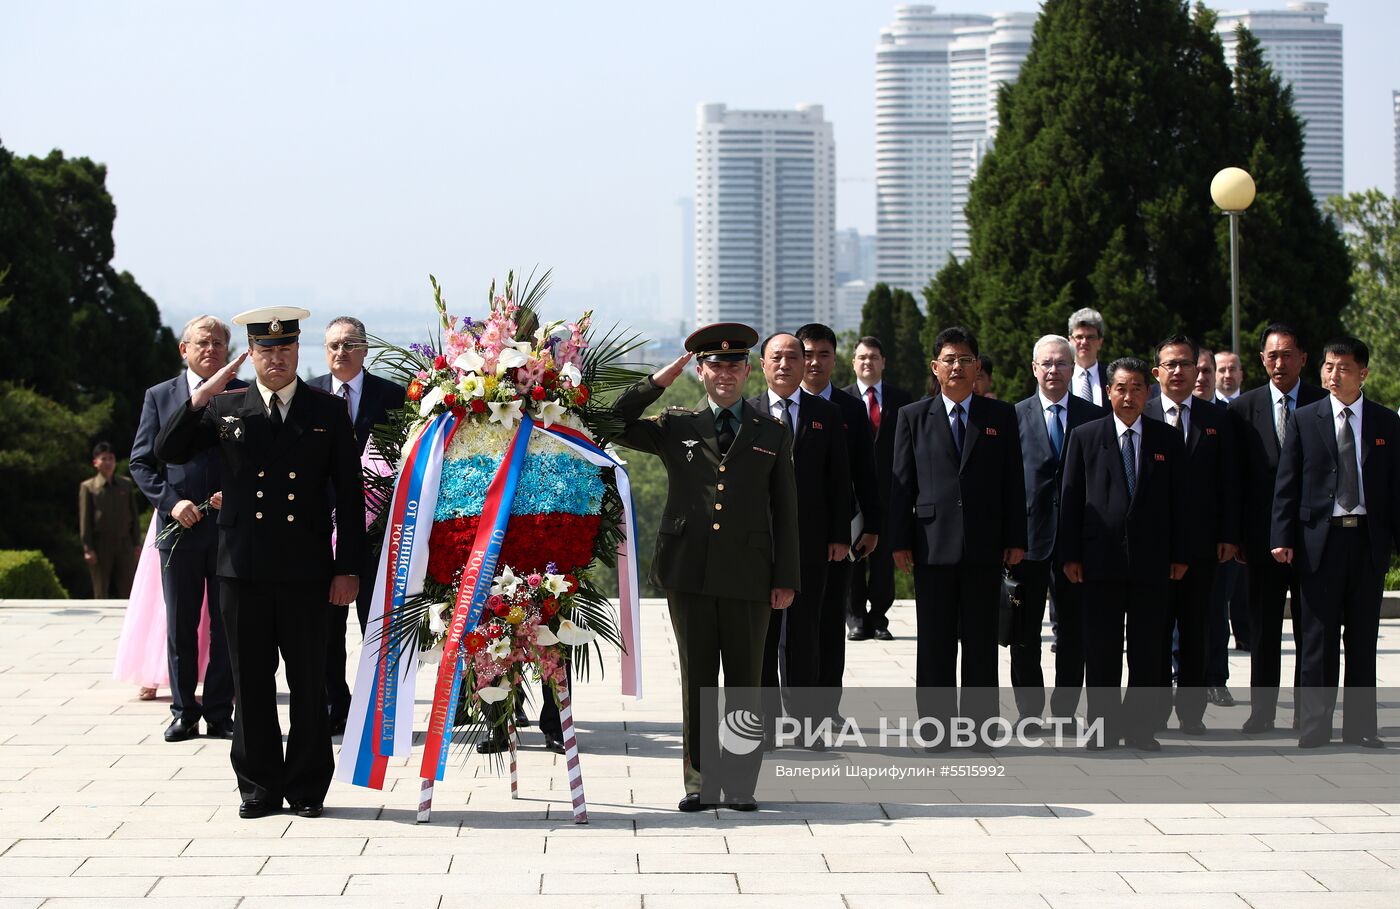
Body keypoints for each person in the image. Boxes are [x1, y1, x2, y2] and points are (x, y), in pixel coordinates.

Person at [156, 306, 364, 820]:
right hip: (242, 568)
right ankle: (259, 787)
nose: (277, 359)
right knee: (250, 683)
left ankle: (308, 787)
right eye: (266, 351)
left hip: (307, 569)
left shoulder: (325, 411)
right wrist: (206, 391)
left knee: (310, 681)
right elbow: (169, 448)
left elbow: (351, 496)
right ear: (250, 355)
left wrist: (347, 568)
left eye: (285, 350)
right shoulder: (227, 407)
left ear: (298, 351)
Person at [610, 323, 799, 811]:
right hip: (688, 572)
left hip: (749, 573)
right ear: (699, 371)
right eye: (715, 365)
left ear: (746, 370)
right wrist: (661, 378)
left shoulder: (772, 432)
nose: (726, 373)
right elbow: (610, 422)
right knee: (697, 680)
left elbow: (786, 508)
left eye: (735, 364)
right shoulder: (677, 425)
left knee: (744, 681)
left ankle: (739, 785)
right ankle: (699, 782)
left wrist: (786, 577)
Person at [889, 326, 1026, 751]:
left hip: (985, 545)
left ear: (977, 366)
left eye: (966, 360)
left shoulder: (999, 416)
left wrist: (1015, 537)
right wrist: (899, 540)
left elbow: (1012, 482)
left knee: (982, 642)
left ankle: (980, 729)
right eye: (949, 359)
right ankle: (935, 729)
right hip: (931, 544)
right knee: (934, 642)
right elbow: (901, 484)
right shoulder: (913, 416)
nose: (958, 367)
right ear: (935, 367)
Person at [1271, 336, 1397, 749]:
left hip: (1366, 542)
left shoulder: (1385, 422)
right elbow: (1286, 484)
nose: (1333, 374)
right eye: (1328, 366)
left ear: (1363, 373)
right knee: (1317, 638)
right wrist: (1281, 537)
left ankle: (1361, 727)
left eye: (1343, 367)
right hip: (1317, 543)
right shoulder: (1307, 419)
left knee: (1362, 638)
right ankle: (1315, 727)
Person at [1061, 358, 1188, 751]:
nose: (1128, 396)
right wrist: (1069, 554)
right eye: (1120, 388)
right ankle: (1102, 728)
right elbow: (1069, 499)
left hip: (1152, 563)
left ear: (1147, 392)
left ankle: (1140, 727)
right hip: (1099, 563)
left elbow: (1182, 503)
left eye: (1136, 388)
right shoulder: (1085, 436)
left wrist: (1180, 553)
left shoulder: (1166, 439)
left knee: (1149, 650)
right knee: (1101, 649)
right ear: (1107, 392)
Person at [129, 315, 244, 740]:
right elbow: (141, 462)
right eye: (202, 342)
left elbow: (254, 461)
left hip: (229, 528)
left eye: (218, 342)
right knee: (179, 622)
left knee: (226, 622)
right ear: (184, 349)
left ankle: (218, 710)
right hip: (178, 530)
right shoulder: (160, 396)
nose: (210, 349)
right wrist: (171, 502)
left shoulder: (242, 394)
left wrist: (236, 494)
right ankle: (183, 710)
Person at [307, 315, 406, 737]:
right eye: (332, 345)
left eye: (349, 344)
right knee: (326, 631)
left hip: (379, 532)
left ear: (365, 350)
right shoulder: (308, 395)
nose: (340, 352)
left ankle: (380, 709)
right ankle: (337, 705)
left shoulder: (394, 397)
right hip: (321, 533)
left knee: (378, 627)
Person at [750, 332, 849, 747]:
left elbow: (839, 480)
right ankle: (766, 727)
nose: (787, 364)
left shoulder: (825, 413)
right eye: (778, 357)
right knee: (761, 638)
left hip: (810, 542)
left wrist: (840, 534)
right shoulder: (746, 413)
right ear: (763, 365)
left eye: (795, 356)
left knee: (804, 636)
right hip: (756, 544)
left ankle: (808, 727)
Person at [1229, 323, 1326, 735]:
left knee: (1312, 629)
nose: (1279, 363)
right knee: (1263, 630)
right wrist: (1235, 537)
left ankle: (1307, 713)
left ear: (1304, 358)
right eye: (1272, 356)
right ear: (1261, 361)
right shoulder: (1242, 410)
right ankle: (1262, 712)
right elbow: (1233, 480)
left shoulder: (1323, 403)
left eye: (1287, 355)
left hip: (1314, 538)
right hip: (1260, 541)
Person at [1145, 335, 1239, 736]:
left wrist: (1229, 534)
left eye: (1188, 364)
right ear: (1157, 372)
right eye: (1171, 364)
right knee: (1153, 631)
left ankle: (1192, 713)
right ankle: (1153, 712)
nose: (1180, 371)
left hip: (1202, 546)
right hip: (1151, 547)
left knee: (1197, 629)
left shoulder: (1215, 418)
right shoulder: (1139, 412)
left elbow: (1230, 482)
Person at [1010, 335, 1101, 727]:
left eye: (1061, 363)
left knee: (1074, 632)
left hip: (1076, 541)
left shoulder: (1094, 416)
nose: (1053, 370)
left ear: (1073, 368)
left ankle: (1064, 711)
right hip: (1027, 541)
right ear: (1034, 368)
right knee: (1024, 632)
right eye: (1045, 363)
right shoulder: (1013, 416)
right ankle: (1029, 712)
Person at [794, 323, 876, 721]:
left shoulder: (849, 408)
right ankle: (794, 707)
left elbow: (865, 470)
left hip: (838, 535)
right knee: (792, 628)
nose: (814, 362)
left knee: (829, 622)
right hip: (790, 536)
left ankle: (827, 707)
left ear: (834, 359)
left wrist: (871, 525)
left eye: (823, 354)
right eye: (806, 353)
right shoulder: (778, 406)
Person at [845, 336, 913, 641]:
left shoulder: (902, 400)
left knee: (885, 560)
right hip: (853, 497)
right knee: (854, 560)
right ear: (853, 363)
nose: (867, 362)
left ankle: (879, 618)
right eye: (861, 357)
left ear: (883, 362)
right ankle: (856, 617)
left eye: (873, 357)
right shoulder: (842, 401)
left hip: (891, 492)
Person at [79, 442, 142, 599]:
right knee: (100, 589)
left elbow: (133, 515)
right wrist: (88, 548)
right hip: (101, 543)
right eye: (103, 459)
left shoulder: (125, 484)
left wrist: (136, 543)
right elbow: (85, 519)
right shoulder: (89, 487)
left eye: (111, 459)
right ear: (95, 462)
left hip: (124, 542)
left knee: (129, 587)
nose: (108, 463)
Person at [1068, 308, 1109, 408]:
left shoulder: (1111, 376)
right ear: (1070, 340)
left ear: (1100, 342)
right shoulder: (1061, 375)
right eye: (1079, 337)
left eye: (1090, 337)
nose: (1084, 342)